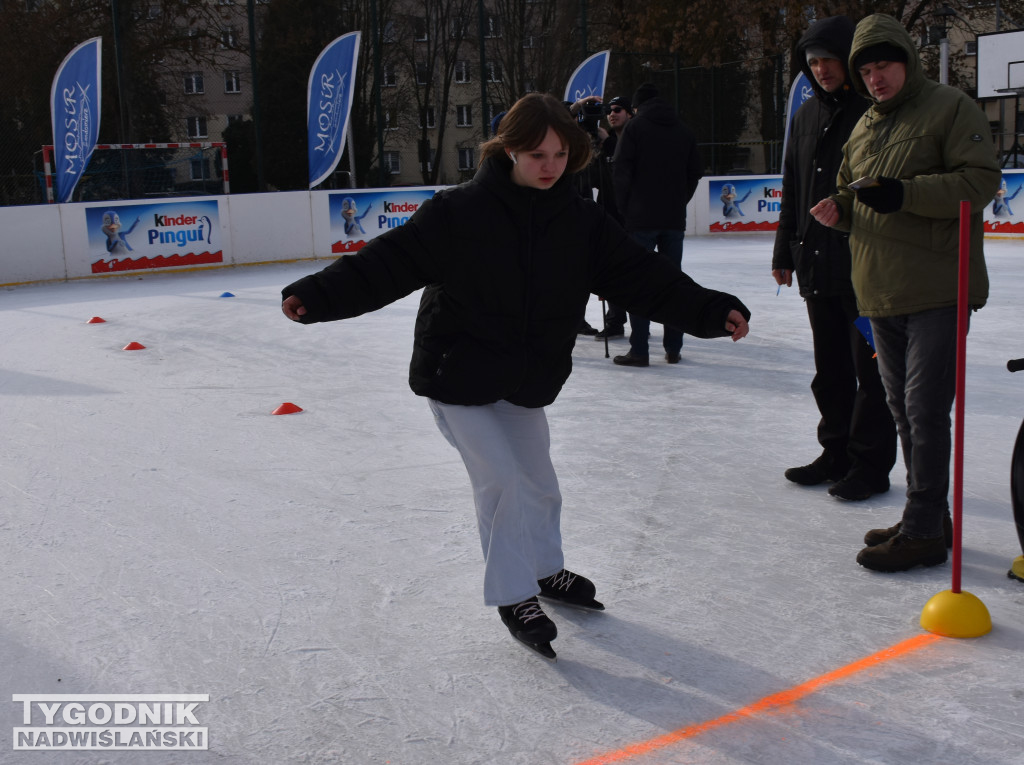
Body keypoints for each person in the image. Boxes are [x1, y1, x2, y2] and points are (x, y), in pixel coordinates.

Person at [281, 93, 751, 657]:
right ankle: (513, 593)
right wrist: (317, 295)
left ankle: (546, 570)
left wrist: (708, 311)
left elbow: (645, 277)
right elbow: (386, 263)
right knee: (501, 482)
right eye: (536, 154)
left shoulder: (582, 223)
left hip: (525, 379)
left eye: (559, 154)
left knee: (538, 484)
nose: (550, 165)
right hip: (457, 375)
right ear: (507, 150)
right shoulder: (458, 213)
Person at [809, 14, 1001, 571]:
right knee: (901, 408)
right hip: (878, 288)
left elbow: (979, 181)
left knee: (924, 407)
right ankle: (927, 517)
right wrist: (837, 208)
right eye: (865, 69)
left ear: (907, 61)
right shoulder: (864, 127)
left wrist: (906, 193)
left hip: (938, 285)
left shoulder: (948, 106)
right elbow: (854, 193)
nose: (875, 78)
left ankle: (921, 527)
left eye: (884, 66)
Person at [772, 15, 897, 502]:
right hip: (816, 265)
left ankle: (869, 465)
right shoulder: (805, 117)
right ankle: (835, 452)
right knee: (830, 370)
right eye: (813, 63)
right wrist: (786, 248)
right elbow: (793, 188)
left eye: (828, 60)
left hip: (864, 270)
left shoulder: (873, 113)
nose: (821, 70)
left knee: (871, 373)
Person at [612, 83, 704, 366]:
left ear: (637, 107)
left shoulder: (635, 128)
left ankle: (640, 349)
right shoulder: (684, 131)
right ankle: (673, 348)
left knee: (639, 282)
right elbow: (695, 174)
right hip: (673, 219)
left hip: (640, 220)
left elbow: (621, 171)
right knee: (671, 282)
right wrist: (679, 202)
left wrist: (626, 211)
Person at [594, 95, 634, 340]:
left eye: (618, 109)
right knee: (611, 271)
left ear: (630, 113)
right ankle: (615, 320)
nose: (612, 113)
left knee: (635, 271)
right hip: (608, 213)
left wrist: (607, 144)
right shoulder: (604, 142)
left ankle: (640, 323)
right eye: (609, 110)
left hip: (633, 216)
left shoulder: (636, 139)